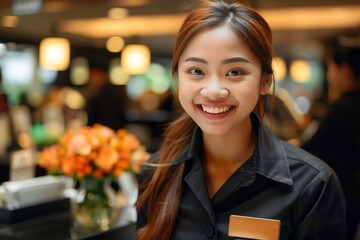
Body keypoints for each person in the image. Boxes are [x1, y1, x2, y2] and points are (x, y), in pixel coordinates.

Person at [136, 1, 346, 239]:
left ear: (265, 81)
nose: (213, 91)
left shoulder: (312, 185)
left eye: (235, 72)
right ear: (177, 78)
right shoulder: (155, 173)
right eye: (196, 71)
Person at [302, 41, 360, 240]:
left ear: (344, 69)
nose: (329, 75)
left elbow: (311, 146)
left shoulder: (343, 107)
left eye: (331, 68)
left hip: (341, 188)